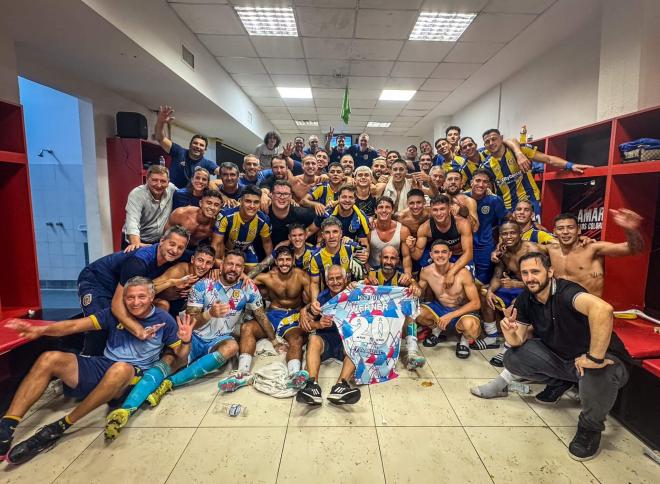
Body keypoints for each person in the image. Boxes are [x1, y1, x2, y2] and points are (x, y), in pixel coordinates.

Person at [1, 277, 191, 463]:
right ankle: (7, 426)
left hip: (132, 375)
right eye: (130, 297)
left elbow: (181, 357)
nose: (135, 302)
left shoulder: (164, 319)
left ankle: (60, 426)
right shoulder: (114, 313)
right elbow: (74, 325)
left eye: (141, 297)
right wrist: (40, 331)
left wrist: (186, 340)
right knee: (48, 358)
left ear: (151, 297)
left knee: (120, 369)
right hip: (104, 364)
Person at [473, 252, 630, 461]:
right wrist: (509, 331)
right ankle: (561, 382)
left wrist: (594, 358)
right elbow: (518, 339)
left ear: (550, 272)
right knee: (513, 357)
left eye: (535, 272)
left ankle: (589, 429)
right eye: (525, 273)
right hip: (565, 360)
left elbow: (603, 309)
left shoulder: (566, 291)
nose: (530, 278)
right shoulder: (527, 297)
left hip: (605, 361)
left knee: (595, 371)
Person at [78, 225, 190, 355]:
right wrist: (139, 331)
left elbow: (203, 256)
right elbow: (116, 306)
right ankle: (88, 358)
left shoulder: (176, 254)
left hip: (123, 284)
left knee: (159, 306)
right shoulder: (138, 262)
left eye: (180, 248)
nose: (175, 250)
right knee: (101, 323)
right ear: (162, 241)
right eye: (172, 244)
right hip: (97, 280)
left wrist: (215, 268)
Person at [229, 246, 310, 390]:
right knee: (247, 327)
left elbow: (313, 299)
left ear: (293, 261)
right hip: (272, 315)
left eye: (287, 260)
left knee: (297, 339)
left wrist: (305, 309)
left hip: (293, 316)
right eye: (280, 260)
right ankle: (242, 373)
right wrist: (245, 276)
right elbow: (245, 278)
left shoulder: (302, 276)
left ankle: (294, 375)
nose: (284, 263)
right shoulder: (268, 276)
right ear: (276, 262)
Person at [471, 222, 540, 362]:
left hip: (533, 290)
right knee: (484, 293)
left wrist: (518, 284)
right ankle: (492, 336)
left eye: (512, 233)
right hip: (516, 287)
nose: (508, 236)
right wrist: (490, 291)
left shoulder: (531, 250)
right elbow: (497, 276)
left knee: (517, 304)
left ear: (520, 233)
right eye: (505, 234)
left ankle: (510, 346)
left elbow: (541, 279)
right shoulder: (503, 251)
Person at [481, 128, 592, 211]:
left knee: (532, 235)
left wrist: (570, 165)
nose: (491, 143)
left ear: (501, 138)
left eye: (494, 139)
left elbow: (548, 159)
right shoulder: (486, 165)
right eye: (487, 142)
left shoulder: (520, 151)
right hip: (507, 207)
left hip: (530, 200)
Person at [296, 265, 361, 405]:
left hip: (346, 341)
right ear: (326, 282)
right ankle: (312, 385)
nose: (335, 282)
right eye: (331, 279)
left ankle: (341, 386)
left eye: (339, 278)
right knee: (313, 338)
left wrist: (362, 283)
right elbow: (306, 325)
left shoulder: (354, 293)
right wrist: (319, 325)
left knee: (356, 343)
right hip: (326, 339)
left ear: (345, 279)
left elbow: (372, 292)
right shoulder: (321, 298)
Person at [547, 210, 644, 297]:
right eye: (560, 228)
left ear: (579, 230)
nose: (565, 232)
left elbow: (633, 249)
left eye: (570, 227)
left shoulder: (593, 248)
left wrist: (630, 229)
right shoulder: (550, 250)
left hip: (588, 311)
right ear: (554, 232)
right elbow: (531, 245)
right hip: (560, 309)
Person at [416, 240, 482, 358]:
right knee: (416, 312)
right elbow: (418, 293)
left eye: (444, 252)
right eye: (436, 252)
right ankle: (436, 330)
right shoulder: (426, 272)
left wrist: (450, 316)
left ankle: (464, 341)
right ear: (431, 255)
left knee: (472, 328)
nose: (440, 255)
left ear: (450, 254)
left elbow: (476, 303)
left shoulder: (463, 273)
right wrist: (413, 285)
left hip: (461, 311)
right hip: (440, 308)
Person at [364, 246, 425, 370]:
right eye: (385, 257)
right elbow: (358, 291)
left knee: (411, 309)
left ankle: (412, 353)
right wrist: (363, 283)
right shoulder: (371, 275)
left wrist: (413, 286)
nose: (388, 261)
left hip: (396, 323)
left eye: (392, 258)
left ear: (398, 261)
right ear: (380, 258)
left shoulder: (403, 277)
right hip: (376, 322)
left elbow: (417, 290)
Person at [154, 105, 218, 188]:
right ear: (190, 145)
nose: (198, 146)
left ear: (205, 149)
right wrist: (160, 122)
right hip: (171, 195)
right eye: (195, 143)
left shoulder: (207, 163)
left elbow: (222, 171)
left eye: (201, 145)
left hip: (191, 197)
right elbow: (160, 138)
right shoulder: (179, 151)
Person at [212, 185, 273, 270]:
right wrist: (216, 267)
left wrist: (271, 266)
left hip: (246, 250)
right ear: (240, 201)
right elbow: (217, 244)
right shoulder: (225, 215)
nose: (252, 206)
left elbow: (267, 244)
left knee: (255, 271)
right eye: (248, 201)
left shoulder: (264, 220)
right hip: (225, 250)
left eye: (256, 202)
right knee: (225, 268)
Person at [308, 217, 367, 301]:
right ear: (323, 235)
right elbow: (314, 283)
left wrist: (358, 283)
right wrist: (314, 301)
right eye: (327, 232)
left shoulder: (352, 249)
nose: (331, 236)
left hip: (352, 294)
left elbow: (364, 274)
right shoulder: (316, 257)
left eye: (335, 232)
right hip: (329, 298)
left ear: (341, 233)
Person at [412, 194, 474, 273]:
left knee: (465, 277)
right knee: (426, 274)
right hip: (440, 256)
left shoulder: (462, 224)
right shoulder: (425, 228)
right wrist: (411, 248)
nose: (439, 213)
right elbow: (417, 255)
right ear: (430, 211)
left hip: (460, 255)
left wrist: (451, 272)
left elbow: (468, 254)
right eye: (435, 210)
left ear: (449, 210)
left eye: (442, 209)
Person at [122, 165, 177, 252]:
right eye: (154, 180)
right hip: (137, 239)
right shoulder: (137, 194)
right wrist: (136, 244)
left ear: (168, 182)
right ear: (147, 179)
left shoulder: (171, 189)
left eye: (163, 181)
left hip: (158, 242)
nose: (159, 185)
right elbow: (132, 221)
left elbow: (185, 196)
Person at [466, 169, 506, 284]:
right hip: (464, 246)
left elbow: (504, 221)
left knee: (482, 281)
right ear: (471, 182)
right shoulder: (461, 198)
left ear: (488, 184)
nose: (481, 184)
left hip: (485, 247)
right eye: (478, 181)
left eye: (485, 182)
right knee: (466, 278)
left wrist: (500, 241)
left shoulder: (494, 200)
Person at [152, 245, 217, 315]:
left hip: (179, 309)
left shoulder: (211, 274)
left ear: (212, 265)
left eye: (208, 263)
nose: (203, 266)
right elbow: (147, 287)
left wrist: (195, 290)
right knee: (164, 305)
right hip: (158, 302)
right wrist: (172, 283)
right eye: (200, 260)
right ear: (192, 259)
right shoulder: (179, 271)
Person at [307, 185, 371, 250]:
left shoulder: (360, 217)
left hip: (349, 250)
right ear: (338, 198)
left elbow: (364, 243)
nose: (347, 200)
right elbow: (309, 231)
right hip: (326, 249)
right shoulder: (326, 213)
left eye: (351, 197)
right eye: (344, 197)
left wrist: (364, 253)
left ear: (355, 200)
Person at [367, 196, 413, 277]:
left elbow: (406, 256)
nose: (384, 210)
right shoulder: (368, 229)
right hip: (373, 270)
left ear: (393, 210)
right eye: (380, 207)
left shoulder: (403, 230)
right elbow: (364, 255)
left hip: (395, 270)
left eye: (387, 207)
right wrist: (369, 274)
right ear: (375, 210)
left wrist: (407, 274)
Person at [267, 180, 315, 247]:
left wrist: (291, 240)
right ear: (271, 195)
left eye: (286, 194)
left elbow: (322, 218)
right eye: (278, 193)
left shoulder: (301, 213)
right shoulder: (264, 214)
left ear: (291, 197)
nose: (282, 197)